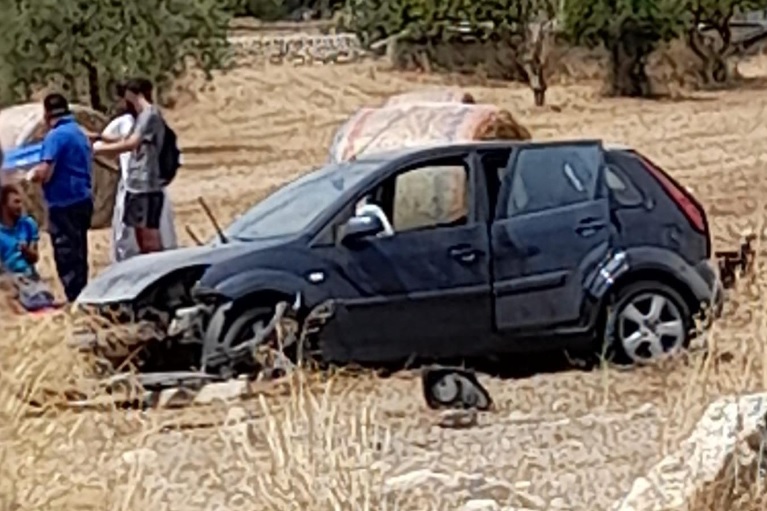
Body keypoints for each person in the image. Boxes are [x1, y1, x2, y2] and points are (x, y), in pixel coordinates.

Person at [95, 81, 177, 262]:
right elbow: (125, 139)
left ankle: (154, 269)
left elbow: (131, 144)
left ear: (133, 94)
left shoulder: (150, 115)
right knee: (137, 234)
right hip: (136, 186)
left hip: (147, 185)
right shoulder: (141, 117)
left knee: (149, 237)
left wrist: (97, 151)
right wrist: (94, 136)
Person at [26, 93, 93, 302]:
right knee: (80, 251)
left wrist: (31, 176)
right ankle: (83, 294)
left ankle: (75, 298)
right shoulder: (78, 132)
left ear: (47, 114)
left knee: (66, 253)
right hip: (83, 198)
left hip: (64, 203)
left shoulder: (55, 136)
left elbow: (45, 171)